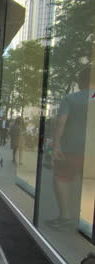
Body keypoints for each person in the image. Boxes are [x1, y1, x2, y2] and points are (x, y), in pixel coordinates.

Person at [47, 67, 91, 229]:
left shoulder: (71, 99)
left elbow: (61, 124)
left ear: (81, 81)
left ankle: (65, 215)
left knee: (62, 178)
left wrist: (56, 145)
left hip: (71, 148)